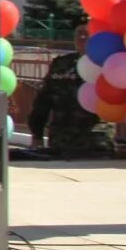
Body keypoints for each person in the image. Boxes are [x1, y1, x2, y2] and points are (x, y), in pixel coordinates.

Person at [30, 23, 107, 155]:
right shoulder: (61, 64)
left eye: (86, 33)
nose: (82, 37)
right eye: (78, 33)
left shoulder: (107, 64)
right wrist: (37, 135)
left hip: (96, 141)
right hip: (62, 140)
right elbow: (43, 101)